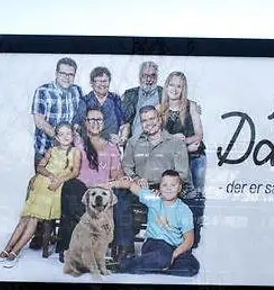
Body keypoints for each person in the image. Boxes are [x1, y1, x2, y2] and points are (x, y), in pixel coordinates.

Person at [106, 105, 190, 262]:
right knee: (119, 195)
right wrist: (136, 178)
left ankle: (160, 248)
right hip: (139, 188)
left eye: (152, 118)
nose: (149, 123)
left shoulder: (175, 143)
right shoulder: (133, 142)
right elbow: (127, 167)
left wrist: (163, 187)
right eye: (144, 120)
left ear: (159, 119)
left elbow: (182, 174)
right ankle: (125, 249)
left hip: (164, 190)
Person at [0, 123, 82, 266]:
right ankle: (7, 249)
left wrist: (58, 179)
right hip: (41, 184)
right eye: (61, 134)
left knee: (34, 219)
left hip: (54, 188)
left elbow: (74, 172)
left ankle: (15, 251)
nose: (65, 137)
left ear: (73, 136)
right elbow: (40, 166)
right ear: (56, 137)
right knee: (25, 218)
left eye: (68, 133)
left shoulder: (75, 152)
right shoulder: (52, 150)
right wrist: (49, 174)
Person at [55, 105, 124, 261]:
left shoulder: (111, 147)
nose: (95, 123)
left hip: (101, 192)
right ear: (85, 123)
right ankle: (69, 246)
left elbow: (116, 174)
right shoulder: (77, 144)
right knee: (71, 187)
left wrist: (118, 180)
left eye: (99, 119)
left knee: (107, 196)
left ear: (104, 123)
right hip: (81, 192)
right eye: (91, 119)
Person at [118, 170, 200, 276]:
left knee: (192, 267)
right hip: (155, 243)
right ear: (159, 188)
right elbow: (130, 186)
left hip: (175, 247)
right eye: (165, 185)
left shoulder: (184, 210)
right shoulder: (153, 198)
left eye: (173, 185)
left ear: (179, 188)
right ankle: (127, 264)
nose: (169, 188)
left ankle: (158, 266)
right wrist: (110, 184)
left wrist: (174, 255)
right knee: (162, 256)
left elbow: (189, 240)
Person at [31, 57, 84, 170]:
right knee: (44, 181)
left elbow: (79, 117)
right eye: (63, 73)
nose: (67, 77)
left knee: (69, 181)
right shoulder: (43, 91)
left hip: (69, 153)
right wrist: (60, 137)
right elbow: (39, 121)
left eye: (71, 74)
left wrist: (75, 131)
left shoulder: (77, 90)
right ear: (56, 73)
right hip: (46, 152)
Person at [159, 71, 207, 195]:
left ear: (183, 89)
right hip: (172, 160)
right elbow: (156, 138)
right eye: (171, 85)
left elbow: (199, 135)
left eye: (179, 86)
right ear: (166, 86)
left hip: (195, 157)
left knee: (197, 194)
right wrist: (174, 140)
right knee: (175, 195)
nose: (174, 90)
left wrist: (184, 141)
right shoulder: (159, 109)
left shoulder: (191, 106)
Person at [81, 66, 130, 147]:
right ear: (91, 83)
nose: (102, 84)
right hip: (89, 147)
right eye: (98, 81)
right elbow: (78, 126)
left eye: (105, 81)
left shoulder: (115, 99)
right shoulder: (85, 101)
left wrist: (122, 139)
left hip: (111, 146)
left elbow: (124, 124)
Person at [120, 60, 162, 141]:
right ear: (140, 77)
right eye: (145, 76)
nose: (148, 79)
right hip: (135, 141)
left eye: (152, 76)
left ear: (157, 77)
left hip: (158, 142)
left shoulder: (164, 93)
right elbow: (124, 121)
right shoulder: (130, 94)